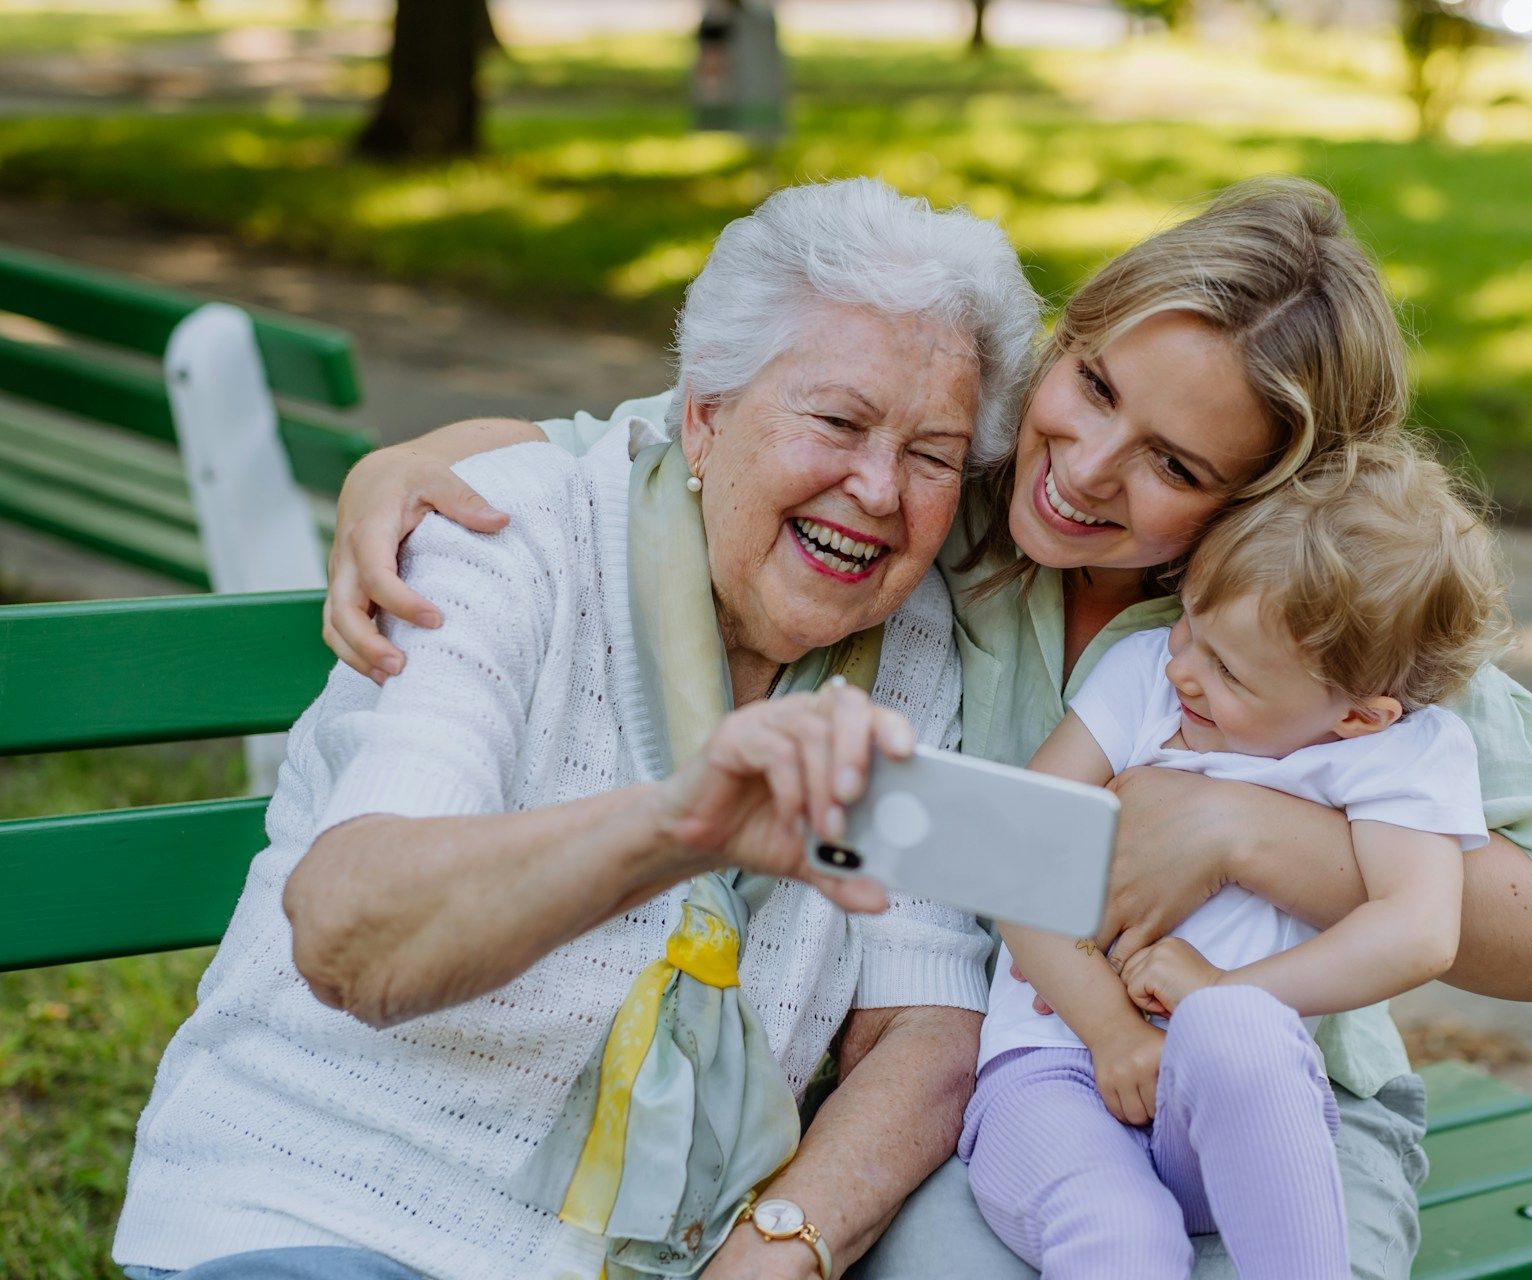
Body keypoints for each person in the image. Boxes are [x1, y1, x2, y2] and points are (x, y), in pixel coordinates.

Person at [320, 177, 1532, 1280]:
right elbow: (656, 445)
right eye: (1094, 384)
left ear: (1258, 502)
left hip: (1278, 1096)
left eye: (1175, 466)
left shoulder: (1315, 614)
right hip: (1024, 1077)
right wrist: (399, 467)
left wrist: (1248, 830)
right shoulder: (945, 494)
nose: (1089, 465)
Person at [112, 178, 1042, 1280]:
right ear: (704, 414)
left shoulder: (915, 643)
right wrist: (681, 823)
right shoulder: (508, 538)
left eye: (932, 455)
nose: (879, 490)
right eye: (837, 422)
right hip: (332, 1208)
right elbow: (353, 930)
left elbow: (920, 1026)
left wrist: (778, 1247)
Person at [968, 439, 1509, 1280]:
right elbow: (1013, 851)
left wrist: (1221, 997)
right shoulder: (1145, 677)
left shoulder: (1405, 755)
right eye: (1188, 620)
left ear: (1359, 718)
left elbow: (1419, 931)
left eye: (1226, 670)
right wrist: (1113, 1033)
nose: (1183, 665)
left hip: (1222, 1111)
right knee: (1123, 1235)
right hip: (1056, 1069)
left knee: (1241, 1027)